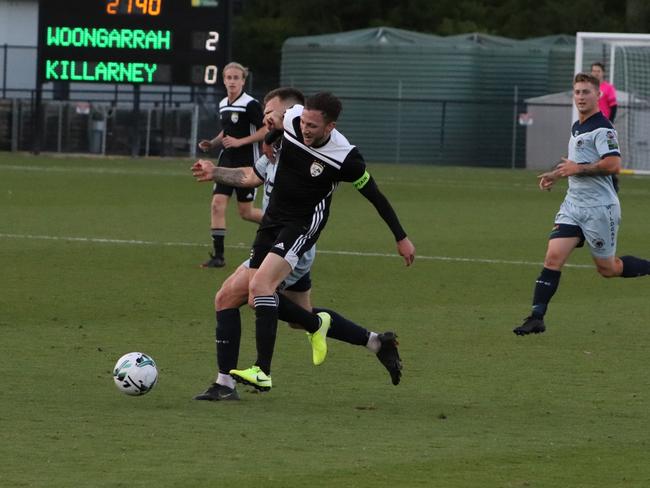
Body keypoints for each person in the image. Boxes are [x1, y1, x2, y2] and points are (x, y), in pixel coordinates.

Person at [191, 88, 403, 401]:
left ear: (290, 111)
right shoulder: (276, 148)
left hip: (297, 238)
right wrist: (215, 171)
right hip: (276, 232)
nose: (265, 115)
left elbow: (370, 191)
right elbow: (250, 176)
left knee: (251, 294)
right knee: (286, 314)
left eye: (270, 110)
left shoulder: (319, 148)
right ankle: (374, 341)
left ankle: (242, 377)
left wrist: (400, 236)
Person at [513, 73, 650, 336]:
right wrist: (556, 173)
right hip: (573, 205)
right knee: (553, 258)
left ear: (598, 95)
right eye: (577, 92)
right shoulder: (577, 126)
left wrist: (579, 168)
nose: (581, 97)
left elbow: (613, 164)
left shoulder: (604, 128)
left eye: (586, 92)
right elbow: (574, 163)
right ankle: (536, 317)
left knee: (607, 269)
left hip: (599, 209)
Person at [197, 62, 267, 268]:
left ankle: (279, 225)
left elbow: (265, 130)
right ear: (224, 80)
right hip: (225, 162)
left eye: (236, 78)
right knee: (217, 205)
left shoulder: (250, 104)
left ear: (243, 81)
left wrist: (240, 141)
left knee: (246, 212)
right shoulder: (223, 104)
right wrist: (212, 142)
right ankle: (218, 257)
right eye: (229, 77)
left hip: (247, 163)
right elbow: (226, 131)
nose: (232, 81)